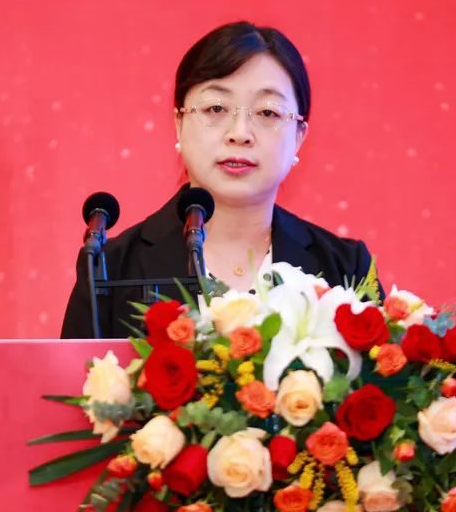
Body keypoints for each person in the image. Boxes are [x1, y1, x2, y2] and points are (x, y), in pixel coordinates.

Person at [61, 21, 382, 339]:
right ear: (179, 123)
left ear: (299, 136)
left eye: (268, 112)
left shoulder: (345, 269)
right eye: (216, 108)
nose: (239, 133)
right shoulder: (110, 269)